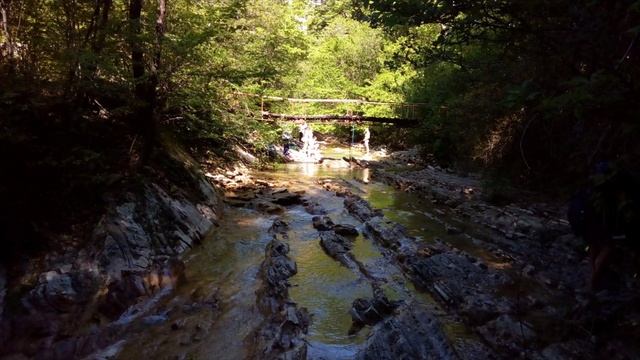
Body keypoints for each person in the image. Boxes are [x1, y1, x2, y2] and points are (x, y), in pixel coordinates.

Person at [568, 162, 639, 290]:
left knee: (595, 244)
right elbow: (627, 215)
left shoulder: (596, 183)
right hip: (594, 218)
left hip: (584, 216)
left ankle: (591, 277)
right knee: (608, 246)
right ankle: (593, 282)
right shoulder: (623, 187)